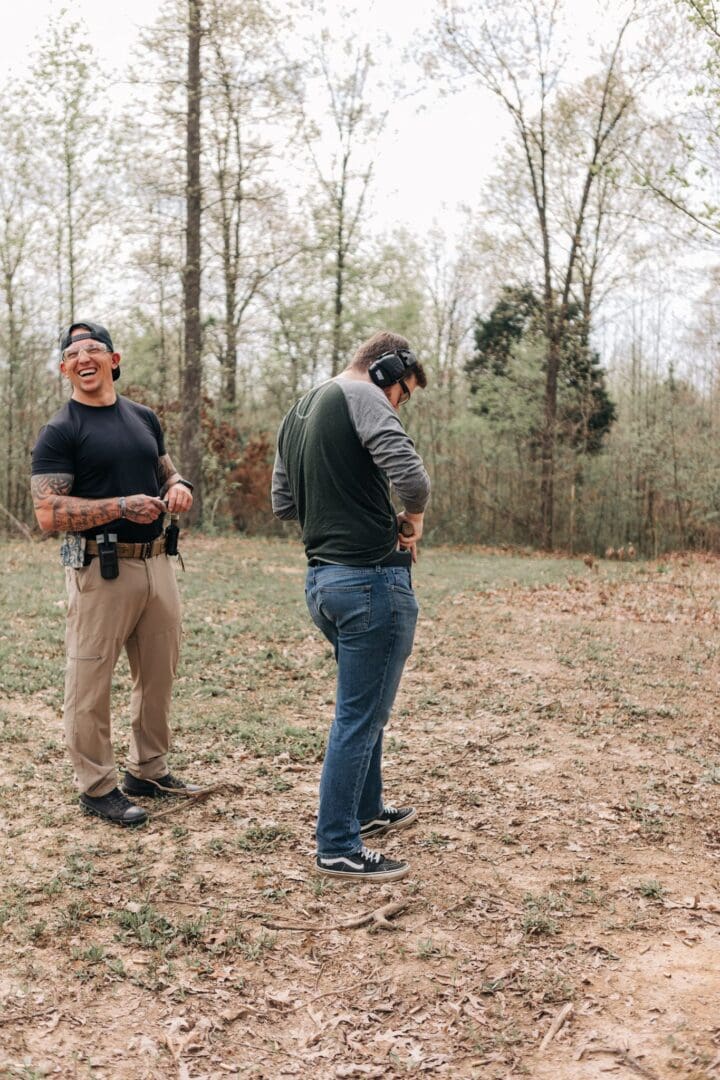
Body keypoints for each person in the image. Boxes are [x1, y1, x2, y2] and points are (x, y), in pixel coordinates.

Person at [272, 330, 431, 882]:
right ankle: (338, 844)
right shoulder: (364, 395)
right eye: (403, 393)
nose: (398, 405)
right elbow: (413, 478)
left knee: (365, 701)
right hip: (371, 582)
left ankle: (367, 809)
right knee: (360, 715)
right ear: (386, 369)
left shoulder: (297, 411)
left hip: (323, 583)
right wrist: (410, 518)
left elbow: (283, 503)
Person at [31, 320, 198, 826]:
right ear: (65, 369)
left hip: (156, 563)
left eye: (95, 350)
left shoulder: (144, 417)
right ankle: (97, 786)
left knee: (157, 675)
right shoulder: (61, 431)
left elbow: (166, 469)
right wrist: (118, 506)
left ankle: (148, 770)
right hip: (100, 570)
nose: (85, 358)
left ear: (114, 359)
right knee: (90, 679)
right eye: (74, 353)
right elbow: (47, 513)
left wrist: (180, 485)